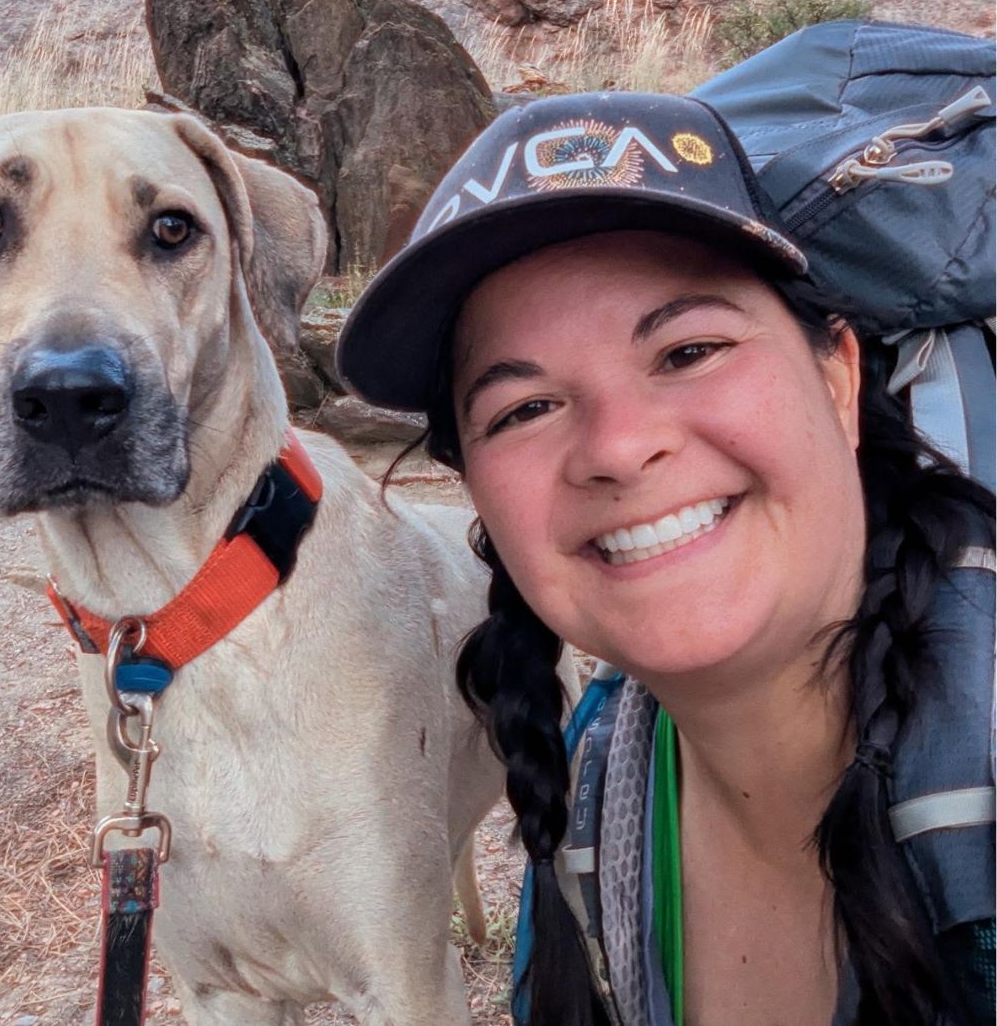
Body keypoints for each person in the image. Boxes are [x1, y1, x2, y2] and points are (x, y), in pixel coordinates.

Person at [335, 93, 995, 1026]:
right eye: (525, 409)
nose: (617, 446)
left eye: (689, 351)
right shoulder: (596, 804)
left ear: (838, 378)